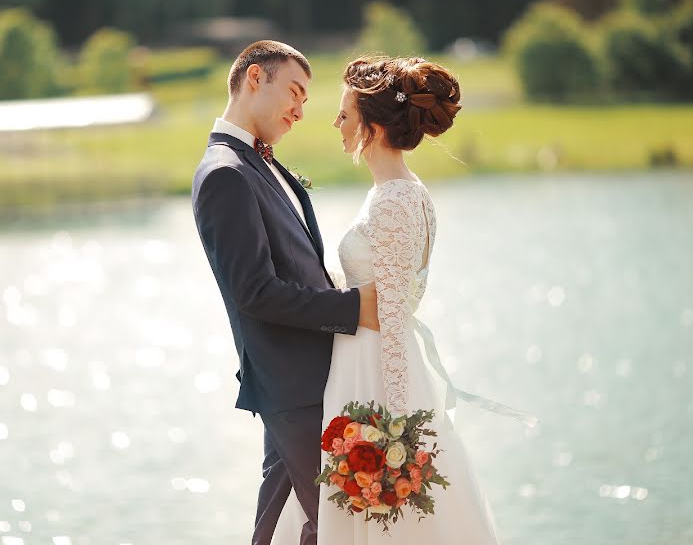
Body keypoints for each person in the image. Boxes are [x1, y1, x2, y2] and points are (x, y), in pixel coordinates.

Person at [270, 55, 535, 545]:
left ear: (372, 125)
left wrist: (392, 434)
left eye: (345, 113)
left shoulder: (394, 200)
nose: (337, 123)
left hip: (373, 374)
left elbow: (390, 320)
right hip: (367, 363)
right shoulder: (400, 192)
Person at [191, 40, 381, 545]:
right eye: (294, 92)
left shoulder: (255, 164)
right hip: (292, 385)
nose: (301, 110)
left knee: (283, 526)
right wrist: (354, 308)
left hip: (303, 380)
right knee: (341, 523)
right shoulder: (225, 175)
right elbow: (255, 292)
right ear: (255, 78)